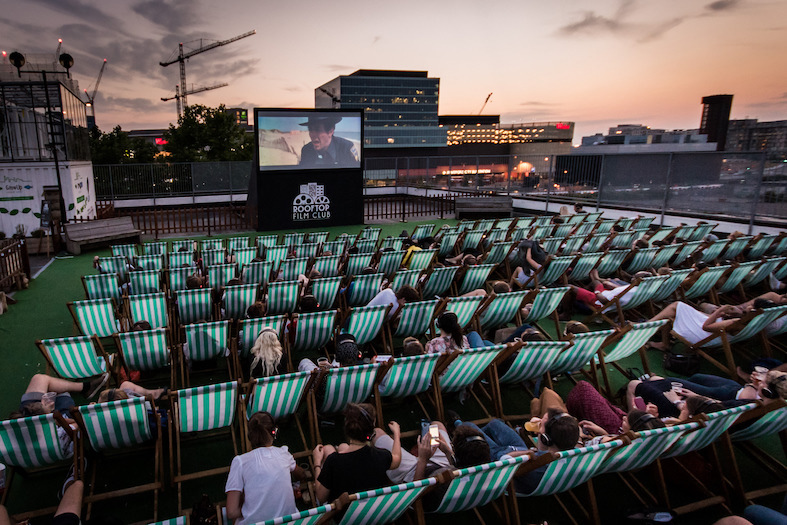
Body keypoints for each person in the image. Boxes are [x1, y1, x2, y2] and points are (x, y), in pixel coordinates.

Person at [225, 412, 306, 525]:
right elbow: (302, 474)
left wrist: (251, 507)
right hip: (289, 522)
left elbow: (232, 512)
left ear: (250, 436)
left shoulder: (240, 462)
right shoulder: (283, 454)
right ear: (274, 432)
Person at [312, 403, 400, 504]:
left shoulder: (333, 461)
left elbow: (321, 497)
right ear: (371, 429)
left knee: (328, 449)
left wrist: (317, 463)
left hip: (344, 516)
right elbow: (397, 459)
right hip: (372, 510)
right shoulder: (381, 456)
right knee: (343, 447)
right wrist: (396, 434)